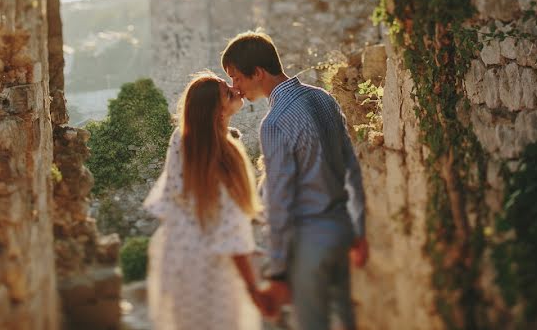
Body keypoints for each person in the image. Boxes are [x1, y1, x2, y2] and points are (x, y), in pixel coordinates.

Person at [222, 31, 369, 330]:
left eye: (236, 77)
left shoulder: (274, 123)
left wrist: (277, 271)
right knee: (346, 320)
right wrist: (359, 230)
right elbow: (351, 168)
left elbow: (280, 200)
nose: (235, 87)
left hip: (309, 243)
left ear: (258, 73)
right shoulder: (323, 98)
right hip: (341, 230)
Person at [143, 72, 271, 330]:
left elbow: (175, 200)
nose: (236, 89)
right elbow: (230, 231)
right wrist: (254, 290)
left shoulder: (182, 138)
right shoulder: (223, 156)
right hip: (211, 268)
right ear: (217, 111)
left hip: (177, 255)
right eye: (227, 92)